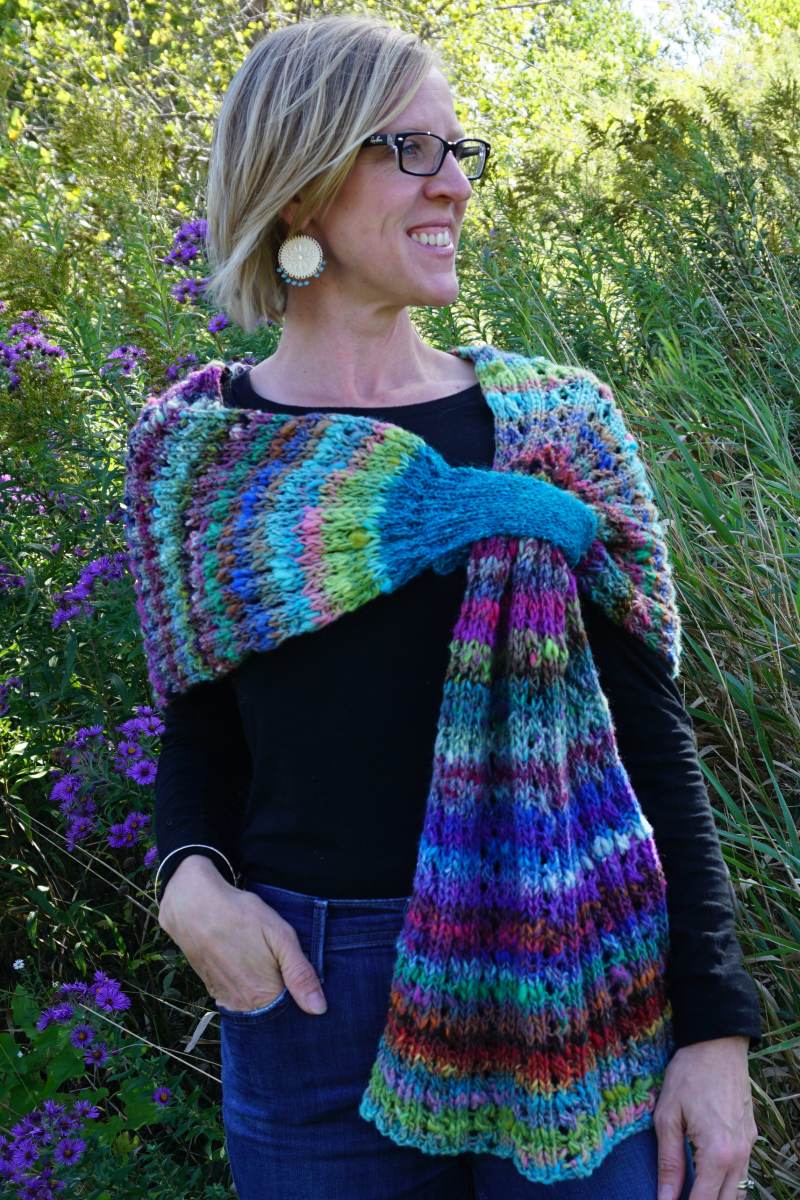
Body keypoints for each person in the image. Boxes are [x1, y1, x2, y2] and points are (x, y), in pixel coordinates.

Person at [141, 12, 761, 1199]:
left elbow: (652, 737)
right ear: (300, 183)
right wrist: (187, 881)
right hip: (310, 991)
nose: (454, 185)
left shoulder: (556, 426)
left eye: (459, 150)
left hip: (573, 965)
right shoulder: (202, 455)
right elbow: (201, 725)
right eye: (410, 150)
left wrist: (715, 1025)